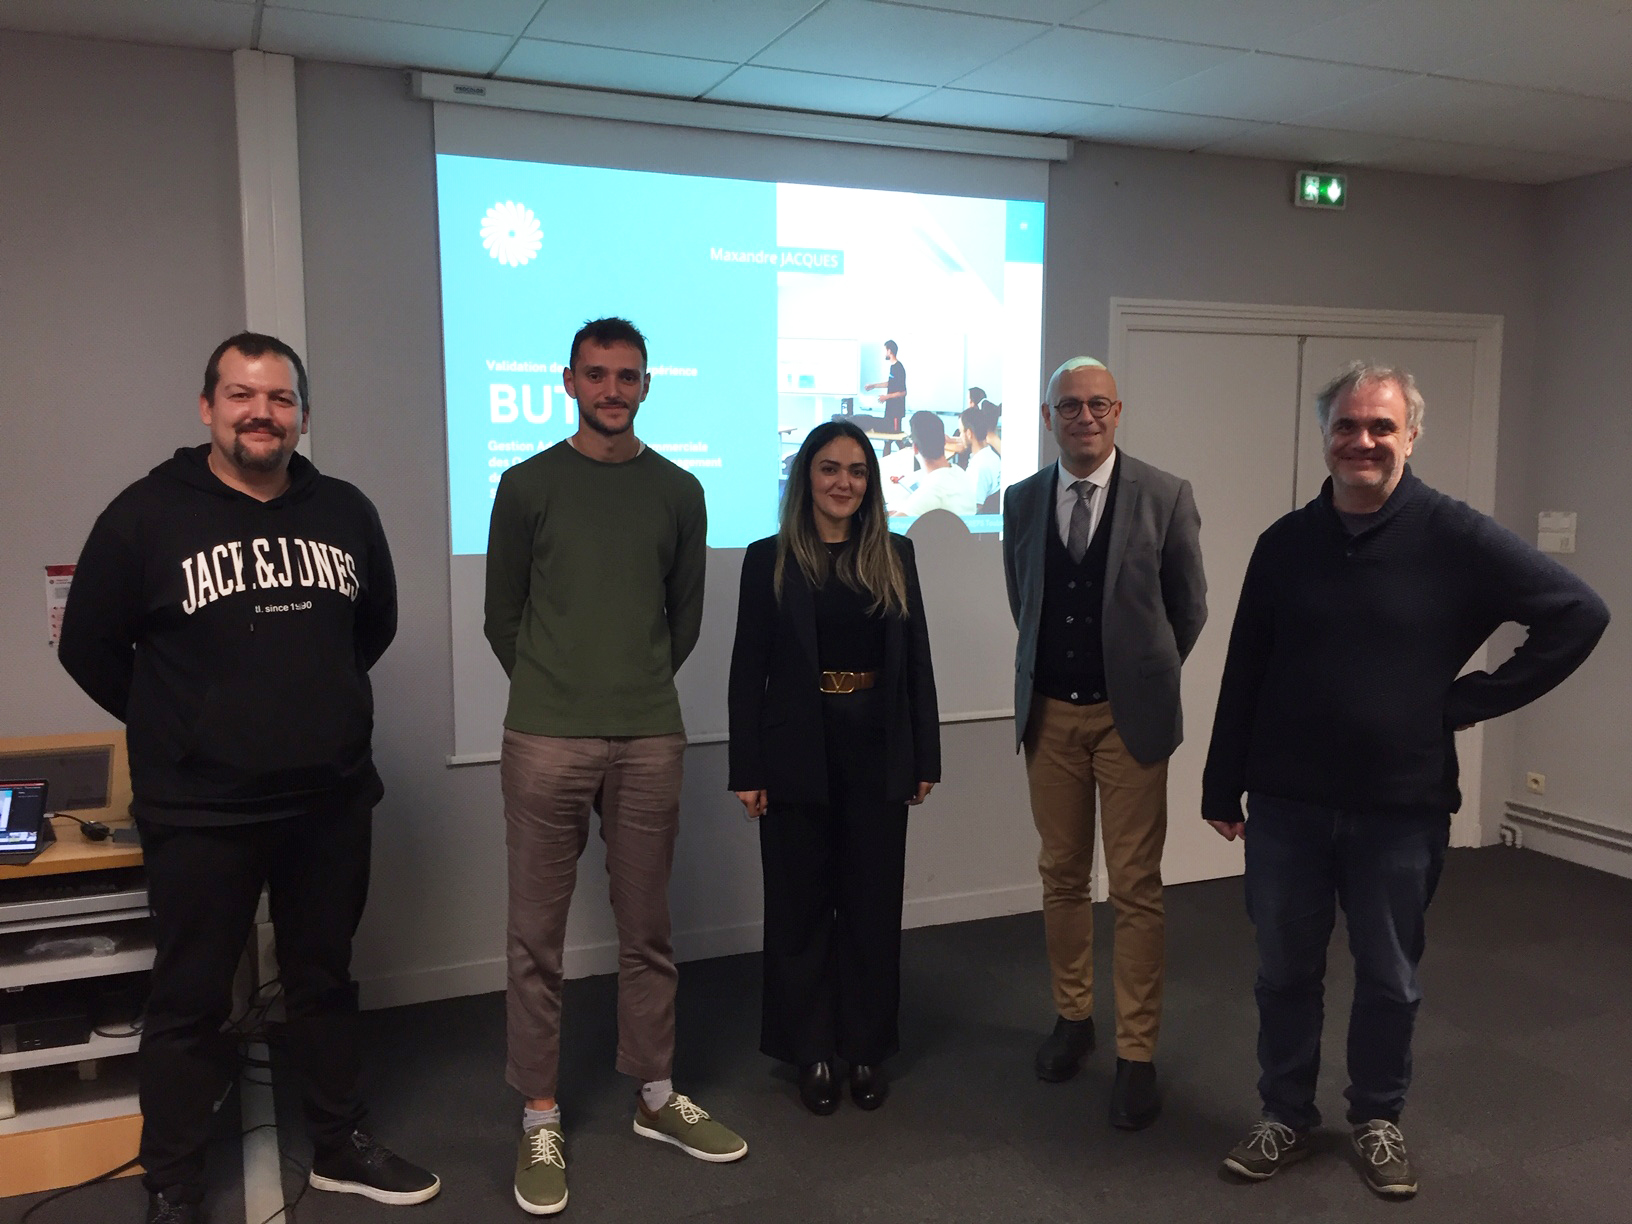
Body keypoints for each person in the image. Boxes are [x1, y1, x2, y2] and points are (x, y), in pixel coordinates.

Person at [1202, 361, 1608, 1199]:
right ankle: (1285, 1114)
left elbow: (1579, 612)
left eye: (1381, 426)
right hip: (1287, 803)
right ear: (1325, 437)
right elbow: (1246, 667)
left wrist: (1465, 701)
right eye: (1347, 426)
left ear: (1411, 436)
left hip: (1399, 808)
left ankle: (1377, 1119)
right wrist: (1219, 782)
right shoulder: (1285, 544)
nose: (1363, 441)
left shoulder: (1455, 535)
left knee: (1390, 977)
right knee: (1284, 973)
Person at [58, 333, 438, 1224]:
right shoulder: (144, 515)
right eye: (241, 395)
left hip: (328, 802)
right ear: (208, 407)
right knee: (189, 1000)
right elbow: (89, 647)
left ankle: (338, 1145)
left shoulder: (345, 509)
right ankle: (174, 1186)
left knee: (324, 981)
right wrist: (183, 727)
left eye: (279, 398)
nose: (261, 413)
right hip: (200, 812)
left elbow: (371, 628)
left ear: (301, 415)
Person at [485, 317, 745, 1218]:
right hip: (545, 737)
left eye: (626, 376)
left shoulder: (679, 490)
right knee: (535, 940)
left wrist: (629, 686)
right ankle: (540, 1113)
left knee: (648, 930)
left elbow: (683, 619)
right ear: (567, 382)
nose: (611, 389)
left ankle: (655, 1095)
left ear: (646, 385)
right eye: (595, 374)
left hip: (648, 736)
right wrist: (556, 689)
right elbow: (502, 616)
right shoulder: (526, 485)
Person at [1001, 356, 1207, 1130]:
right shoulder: (1023, 500)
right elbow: (1024, 599)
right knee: (1061, 876)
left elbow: (1188, 608)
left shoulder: (1165, 494)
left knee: (1135, 887)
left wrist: (1142, 676)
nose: (1083, 417)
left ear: (1118, 412)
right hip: (1049, 717)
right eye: (1069, 406)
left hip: (1131, 723)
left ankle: (1137, 1053)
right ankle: (1073, 1018)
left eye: (1098, 405)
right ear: (1047, 417)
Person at [728, 420, 939, 1116]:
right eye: (829, 468)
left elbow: (917, 662)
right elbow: (747, 670)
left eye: (856, 470)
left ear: (870, 483)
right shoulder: (767, 559)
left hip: (877, 748)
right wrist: (747, 768)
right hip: (795, 750)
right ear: (806, 478)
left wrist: (925, 754)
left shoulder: (895, 555)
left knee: (872, 906)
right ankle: (813, 1050)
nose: (843, 482)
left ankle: (866, 1048)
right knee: (800, 906)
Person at [892, 411, 975, 518]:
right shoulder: (961, 474)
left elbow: (891, 525)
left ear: (915, 448)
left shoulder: (930, 492)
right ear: (944, 441)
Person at [962, 403, 1003, 513]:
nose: (960, 437)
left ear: (969, 433)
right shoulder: (990, 456)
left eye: (961, 432)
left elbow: (973, 510)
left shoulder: (979, 467)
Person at [862, 340, 908, 432]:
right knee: (887, 436)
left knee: (895, 435)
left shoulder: (899, 367)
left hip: (896, 411)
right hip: (890, 410)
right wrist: (873, 386)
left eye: (885, 351)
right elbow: (890, 384)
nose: (885, 353)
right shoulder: (893, 367)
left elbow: (903, 392)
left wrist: (886, 397)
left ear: (889, 351)